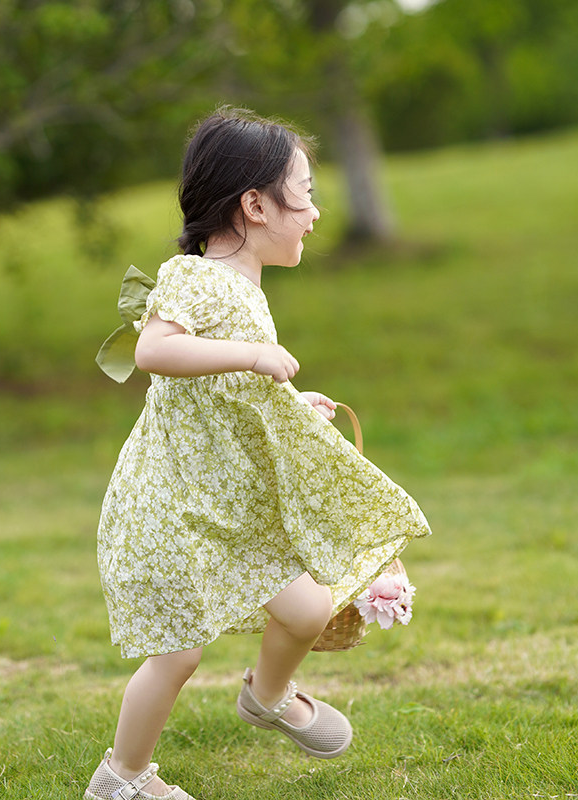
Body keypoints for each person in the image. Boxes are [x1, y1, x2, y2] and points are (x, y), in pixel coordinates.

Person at [84, 108, 431, 800]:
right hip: (175, 503)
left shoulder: (242, 285)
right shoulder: (195, 275)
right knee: (178, 653)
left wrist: (287, 400)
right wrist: (252, 355)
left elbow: (221, 389)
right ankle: (122, 780)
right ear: (255, 205)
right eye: (305, 194)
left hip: (229, 502)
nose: (315, 213)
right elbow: (155, 350)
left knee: (307, 610)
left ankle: (266, 696)